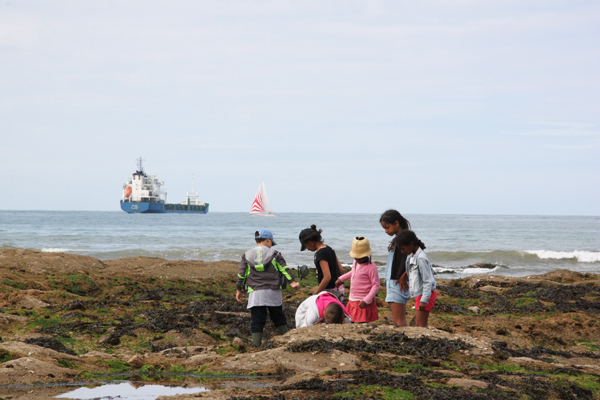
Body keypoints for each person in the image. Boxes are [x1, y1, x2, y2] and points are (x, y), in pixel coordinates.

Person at [236, 228, 299, 347]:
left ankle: (256, 346)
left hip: (255, 293)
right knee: (278, 317)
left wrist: (239, 289)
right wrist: (292, 282)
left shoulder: (246, 256)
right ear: (268, 241)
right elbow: (284, 269)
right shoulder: (275, 254)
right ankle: (287, 343)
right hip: (273, 291)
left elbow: (241, 274)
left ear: (257, 241)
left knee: (257, 321)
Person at [394, 230, 436, 328]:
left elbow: (427, 280)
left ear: (411, 244)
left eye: (403, 248)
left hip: (426, 294)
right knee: (419, 325)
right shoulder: (411, 257)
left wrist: (424, 300)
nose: (402, 251)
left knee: (420, 326)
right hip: (420, 293)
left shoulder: (421, 258)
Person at [335, 237, 380, 323]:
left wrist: (366, 300)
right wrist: (341, 279)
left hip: (363, 300)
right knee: (352, 320)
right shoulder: (355, 262)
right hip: (353, 298)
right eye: (356, 257)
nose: (358, 259)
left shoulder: (371, 268)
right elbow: (353, 272)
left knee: (362, 322)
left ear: (367, 255)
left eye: (361, 257)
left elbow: (376, 285)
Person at [379, 210, 411, 326]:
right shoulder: (400, 238)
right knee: (398, 319)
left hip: (397, 282)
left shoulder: (404, 239)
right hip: (395, 281)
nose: (386, 231)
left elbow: (414, 259)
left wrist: (404, 275)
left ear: (396, 223)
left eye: (387, 227)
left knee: (398, 321)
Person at [298, 225, 345, 299]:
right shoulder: (330, 248)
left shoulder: (320, 253)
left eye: (306, 246)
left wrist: (316, 293)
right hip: (340, 290)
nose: (308, 249)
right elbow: (341, 270)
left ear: (310, 242)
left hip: (329, 293)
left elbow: (327, 277)